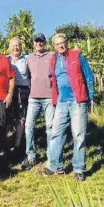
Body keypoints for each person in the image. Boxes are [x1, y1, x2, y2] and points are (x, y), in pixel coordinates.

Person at [42, 33, 94, 181]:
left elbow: (89, 77)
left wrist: (89, 97)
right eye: (58, 44)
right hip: (61, 101)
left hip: (78, 100)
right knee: (56, 133)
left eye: (63, 42)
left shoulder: (77, 56)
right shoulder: (53, 59)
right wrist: (55, 99)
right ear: (54, 46)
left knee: (78, 134)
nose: (61, 45)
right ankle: (55, 166)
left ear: (67, 43)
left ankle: (79, 169)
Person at [21, 33, 55, 170]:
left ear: (45, 42)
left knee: (50, 128)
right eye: (37, 41)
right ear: (33, 43)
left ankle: (51, 156)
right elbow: (27, 75)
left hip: (49, 97)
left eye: (41, 41)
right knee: (28, 126)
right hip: (33, 98)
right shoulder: (29, 58)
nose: (39, 43)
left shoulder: (52, 55)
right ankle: (31, 156)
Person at [7, 37, 30, 158]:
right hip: (9, 90)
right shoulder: (5, 59)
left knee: (22, 119)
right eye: (13, 46)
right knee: (10, 119)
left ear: (21, 47)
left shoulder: (27, 59)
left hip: (23, 90)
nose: (16, 48)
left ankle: (19, 148)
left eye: (18, 45)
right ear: (9, 47)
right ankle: (9, 146)